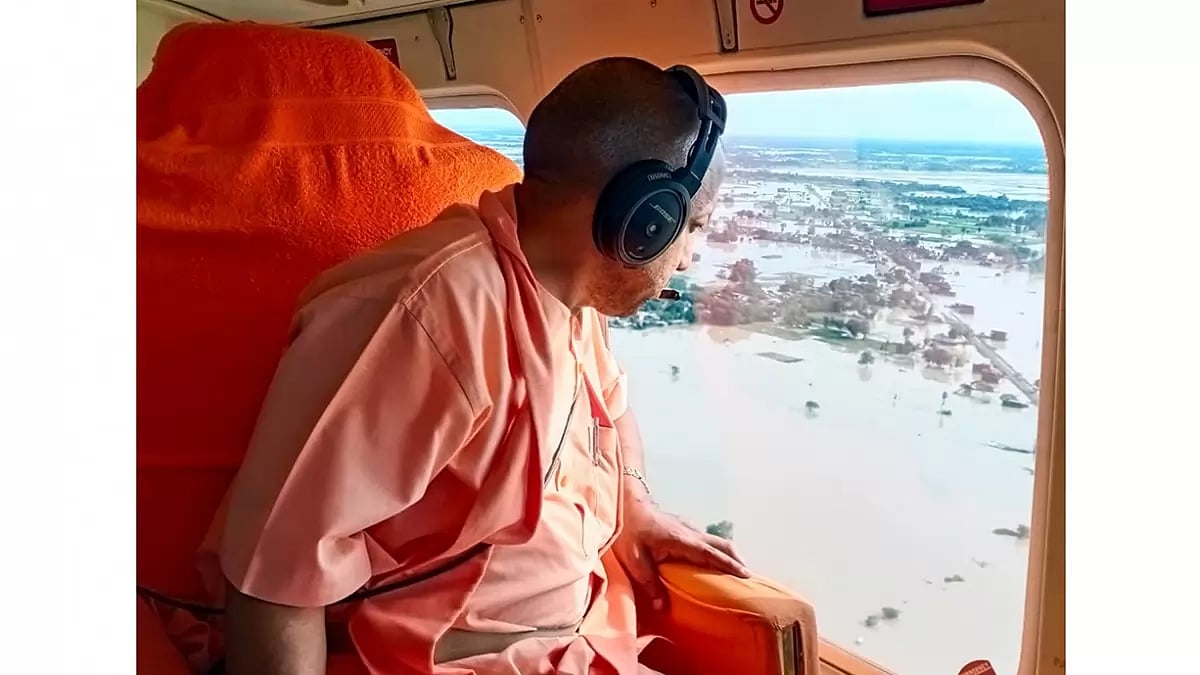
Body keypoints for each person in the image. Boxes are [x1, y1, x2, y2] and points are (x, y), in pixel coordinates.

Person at [217, 56, 741, 675]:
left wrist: (635, 505)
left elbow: (613, 414)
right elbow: (273, 580)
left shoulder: (575, 298)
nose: (687, 262)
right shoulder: (424, 318)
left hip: (592, 637)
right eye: (693, 226)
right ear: (642, 219)